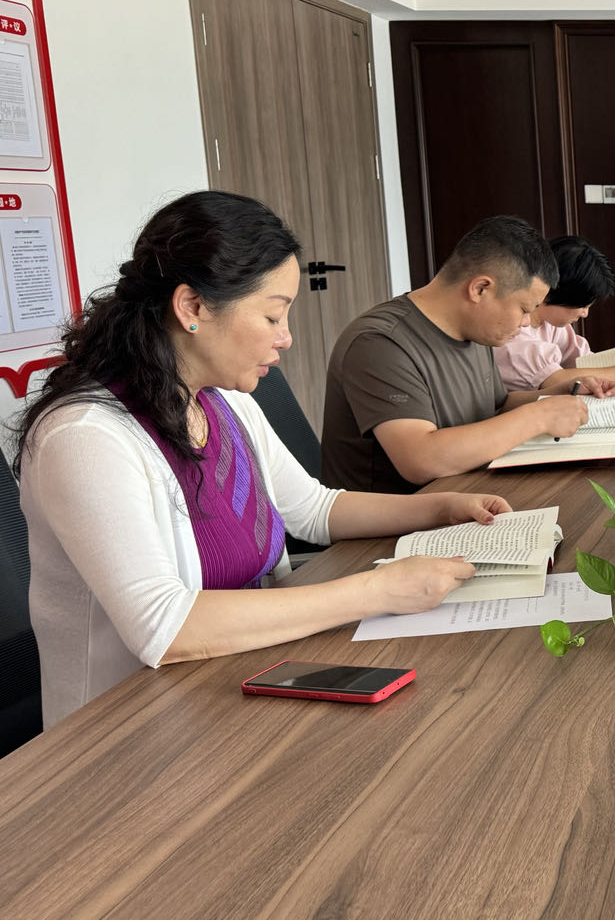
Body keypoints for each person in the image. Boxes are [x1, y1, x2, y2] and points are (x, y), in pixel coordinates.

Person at [15, 191, 506, 728]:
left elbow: (313, 509)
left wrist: (440, 509)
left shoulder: (226, 403)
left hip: (236, 683)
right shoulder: (86, 436)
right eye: (273, 315)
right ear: (192, 307)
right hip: (128, 730)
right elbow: (166, 628)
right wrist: (378, 590)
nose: (286, 337)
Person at [320, 216, 615, 494]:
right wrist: (539, 416)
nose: (527, 323)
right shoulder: (380, 343)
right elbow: (421, 459)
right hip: (399, 523)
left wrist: (556, 393)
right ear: (480, 289)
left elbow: (495, 407)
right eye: (524, 309)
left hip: (470, 493)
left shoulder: (475, 329)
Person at [495, 235, 615, 393]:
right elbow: (555, 380)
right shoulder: (511, 331)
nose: (585, 314)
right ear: (560, 292)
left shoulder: (552, 324)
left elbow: (586, 362)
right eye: (583, 305)